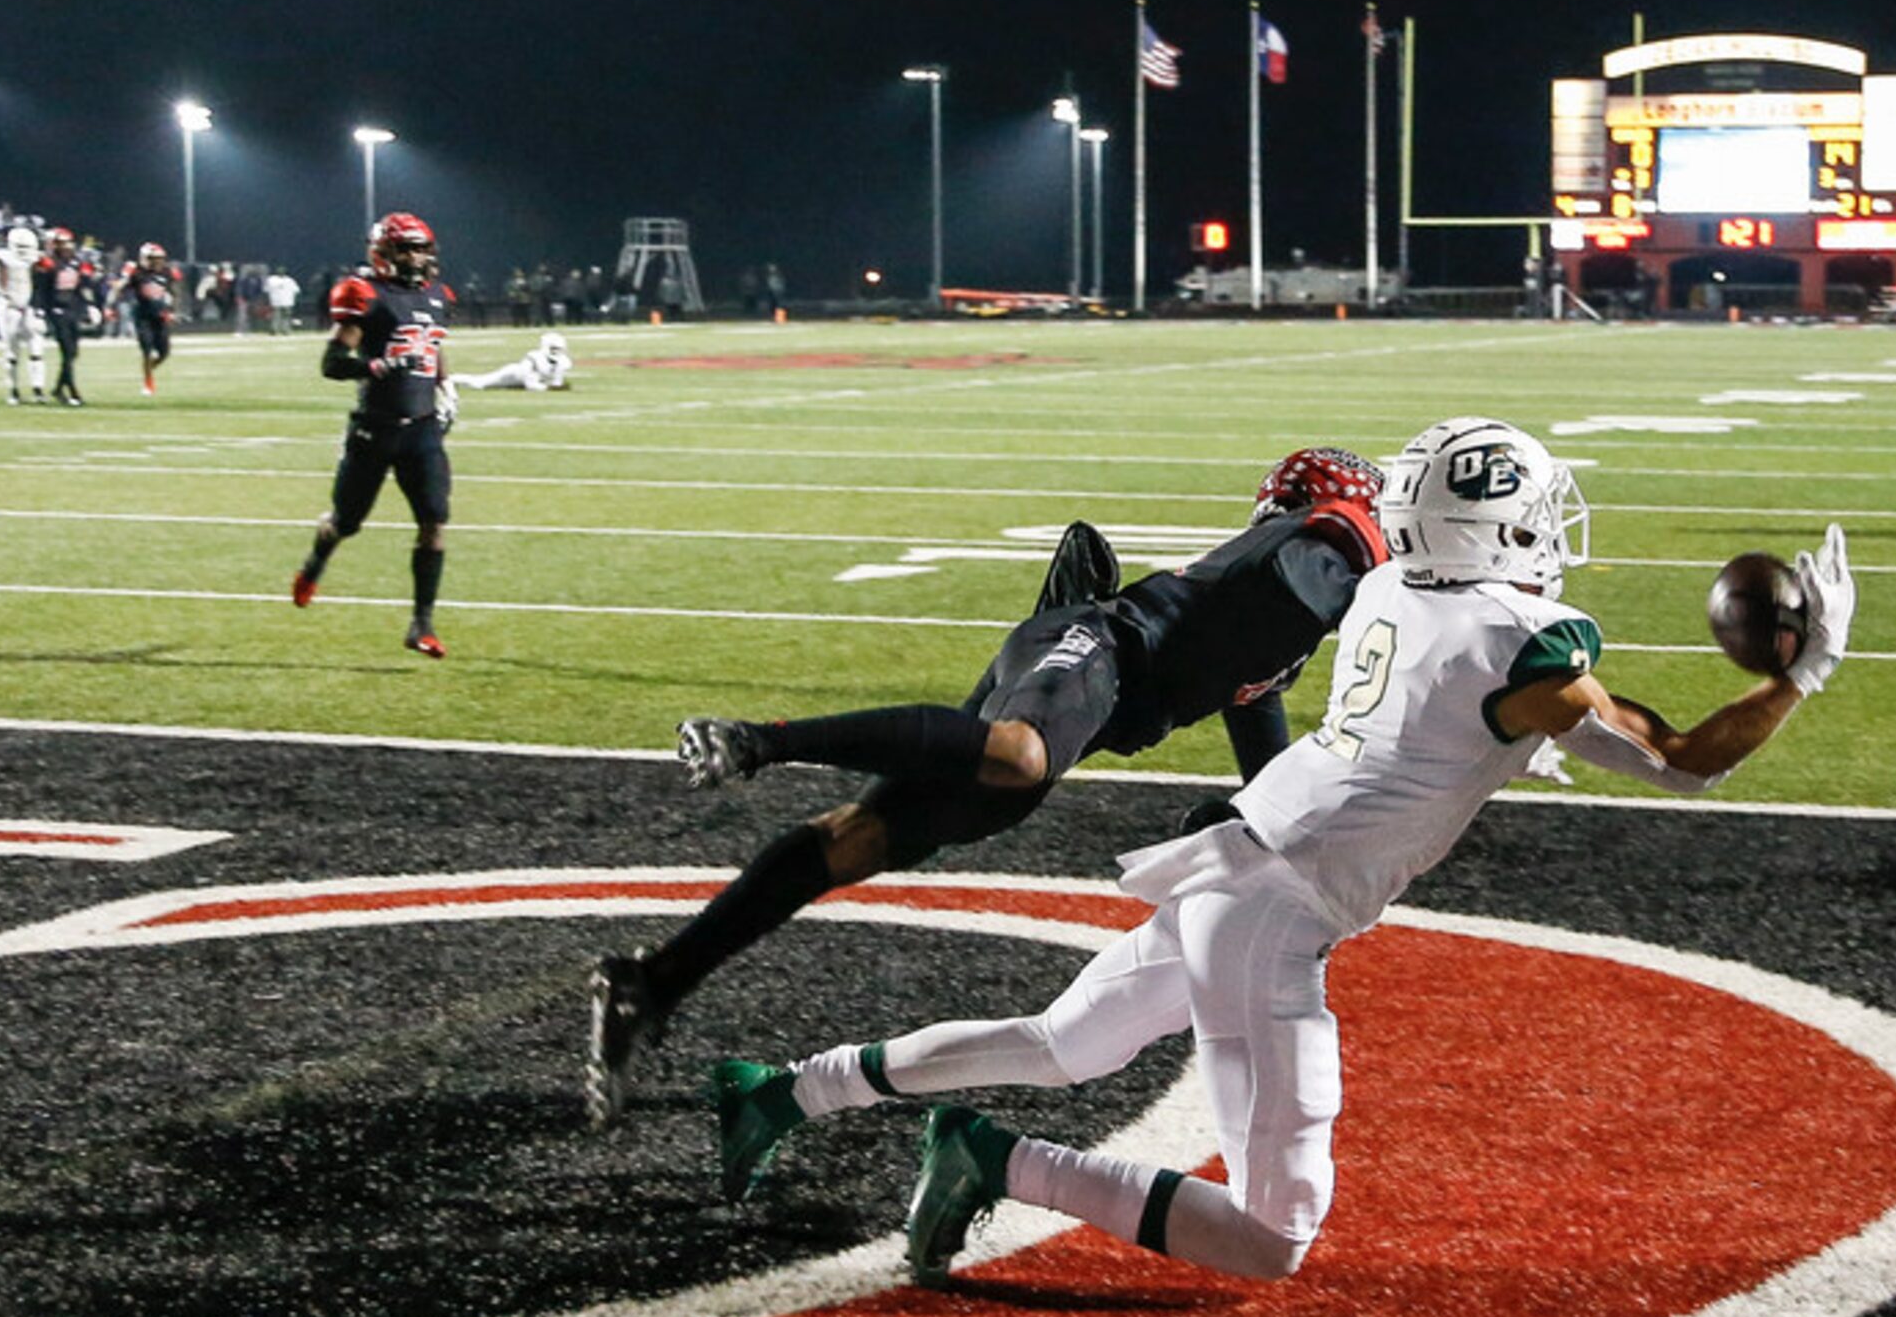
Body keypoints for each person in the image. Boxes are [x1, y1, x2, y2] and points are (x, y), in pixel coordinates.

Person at [705, 419, 1855, 1289]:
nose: (1553, 529)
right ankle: (991, 1163)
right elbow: (1680, 758)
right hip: (1273, 913)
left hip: (1235, 862)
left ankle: (787, 1090)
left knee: (1065, 1042)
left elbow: (1454, 696)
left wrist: (1508, 730)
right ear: (1494, 527)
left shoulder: (1391, 586)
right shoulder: (1524, 648)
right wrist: (1795, 678)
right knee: (1269, 1239)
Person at [585, 446, 1391, 1129]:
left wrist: (1262, 829)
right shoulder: (1323, 547)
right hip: (1098, 650)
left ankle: (651, 983)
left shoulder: (1277, 630)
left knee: (862, 837)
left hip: (1083, 677)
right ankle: (757, 741)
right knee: (1020, 758)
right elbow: (1349, 547)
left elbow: (1267, 763)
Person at [288, 213, 457, 659]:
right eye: (407, 249)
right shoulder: (365, 296)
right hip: (374, 430)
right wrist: (377, 366)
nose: (417, 257)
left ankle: (421, 624)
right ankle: (314, 564)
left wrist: (446, 386)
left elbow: (432, 344)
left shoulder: (439, 295)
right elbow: (332, 362)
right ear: (383, 253)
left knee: (434, 523)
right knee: (346, 523)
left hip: (421, 430)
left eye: (422, 248)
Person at [32, 227, 101, 406]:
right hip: (56, 310)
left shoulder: (76, 263)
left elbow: (83, 287)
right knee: (68, 351)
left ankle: (58, 388)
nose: (67, 247)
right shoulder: (46, 264)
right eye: (62, 243)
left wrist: (89, 305)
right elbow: (40, 290)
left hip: (73, 309)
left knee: (72, 353)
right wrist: (39, 311)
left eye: (68, 243)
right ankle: (72, 392)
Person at [0, 224, 46, 406]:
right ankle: (13, 389)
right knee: (12, 351)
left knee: (36, 349)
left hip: (28, 306)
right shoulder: (2, 259)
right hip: (9, 305)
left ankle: (37, 388)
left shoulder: (36, 260)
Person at [119, 241, 183, 395]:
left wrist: (172, 311)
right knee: (147, 348)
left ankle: (148, 370)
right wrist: (110, 304)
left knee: (164, 352)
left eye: (159, 259)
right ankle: (148, 382)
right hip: (142, 315)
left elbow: (175, 293)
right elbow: (120, 287)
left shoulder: (167, 272)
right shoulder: (135, 271)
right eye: (153, 259)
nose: (156, 262)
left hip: (160, 315)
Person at [453, 327, 573, 391]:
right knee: (479, 384)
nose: (556, 352)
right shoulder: (533, 358)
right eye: (553, 348)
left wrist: (556, 387)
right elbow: (530, 385)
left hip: (521, 382)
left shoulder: (563, 361)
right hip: (512, 374)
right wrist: (548, 388)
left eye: (558, 349)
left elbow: (557, 382)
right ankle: (451, 380)